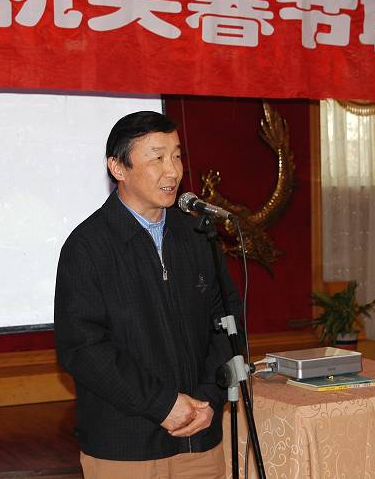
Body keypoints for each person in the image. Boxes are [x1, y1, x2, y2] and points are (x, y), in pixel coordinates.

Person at [54, 110, 242, 479]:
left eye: (177, 156)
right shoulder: (88, 247)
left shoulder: (198, 237)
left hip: (200, 439)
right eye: (157, 158)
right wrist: (162, 404)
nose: (172, 171)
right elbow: (83, 348)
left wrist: (209, 397)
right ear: (117, 168)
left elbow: (228, 323)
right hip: (126, 448)